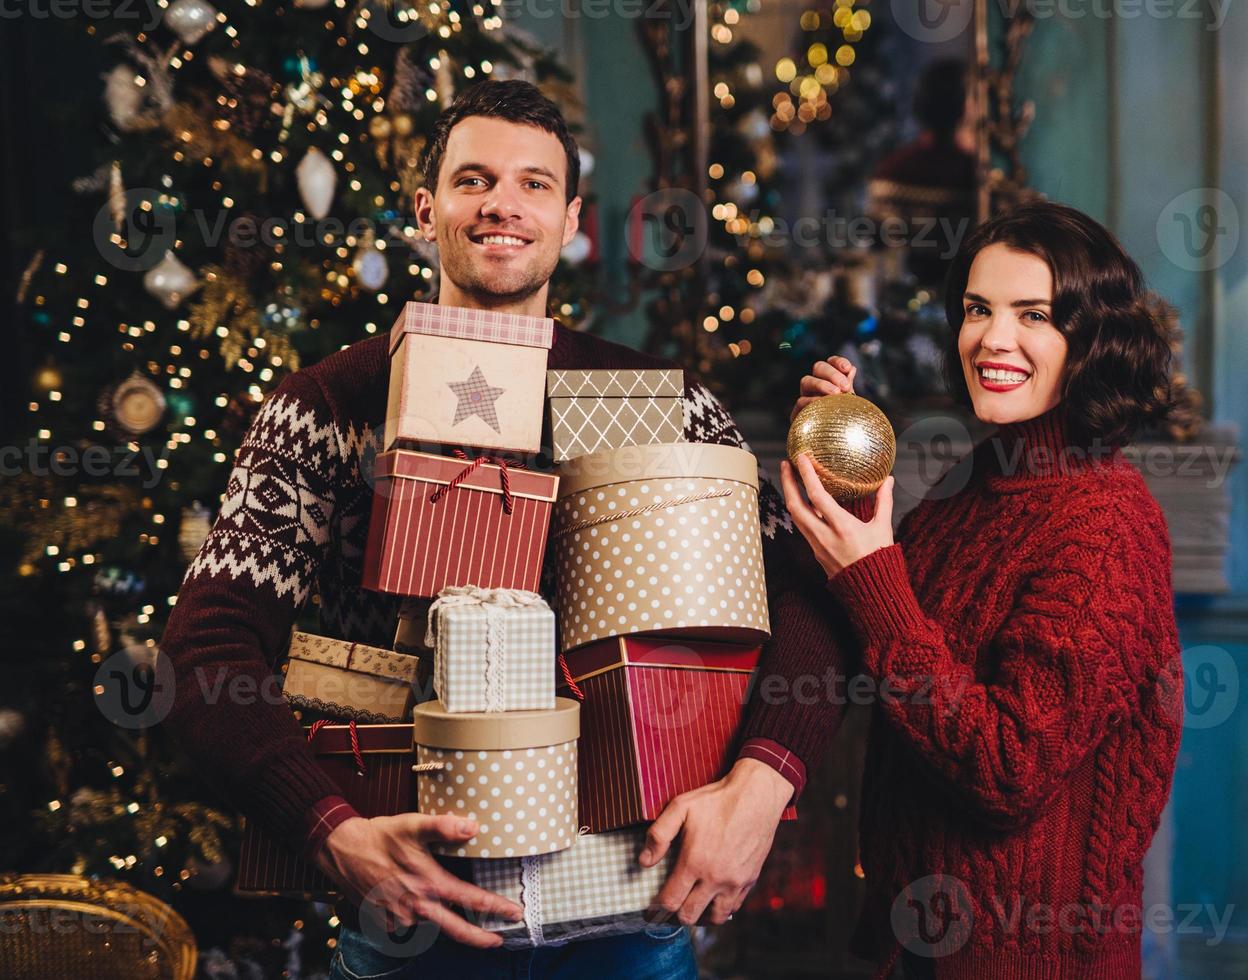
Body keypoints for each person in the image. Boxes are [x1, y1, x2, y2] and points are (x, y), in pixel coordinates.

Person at [159, 79, 850, 979]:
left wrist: (764, 782)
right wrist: (329, 831)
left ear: (570, 222)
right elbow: (204, 649)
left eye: (532, 185)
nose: (501, 205)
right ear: (425, 208)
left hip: (629, 917)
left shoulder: (666, 408)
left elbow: (815, 595)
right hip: (415, 920)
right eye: (473, 179)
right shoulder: (329, 405)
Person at [779, 200, 1185, 978]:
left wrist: (870, 574)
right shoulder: (977, 480)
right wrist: (839, 478)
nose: (993, 339)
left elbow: (1009, 767)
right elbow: (887, 638)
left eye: (1033, 314)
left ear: (1088, 339)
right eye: (977, 309)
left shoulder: (1104, 523)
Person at [867, 58, 980, 288]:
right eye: (974, 96)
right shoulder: (973, 173)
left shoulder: (891, 168)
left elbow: (878, 244)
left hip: (902, 294)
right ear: (963, 106)